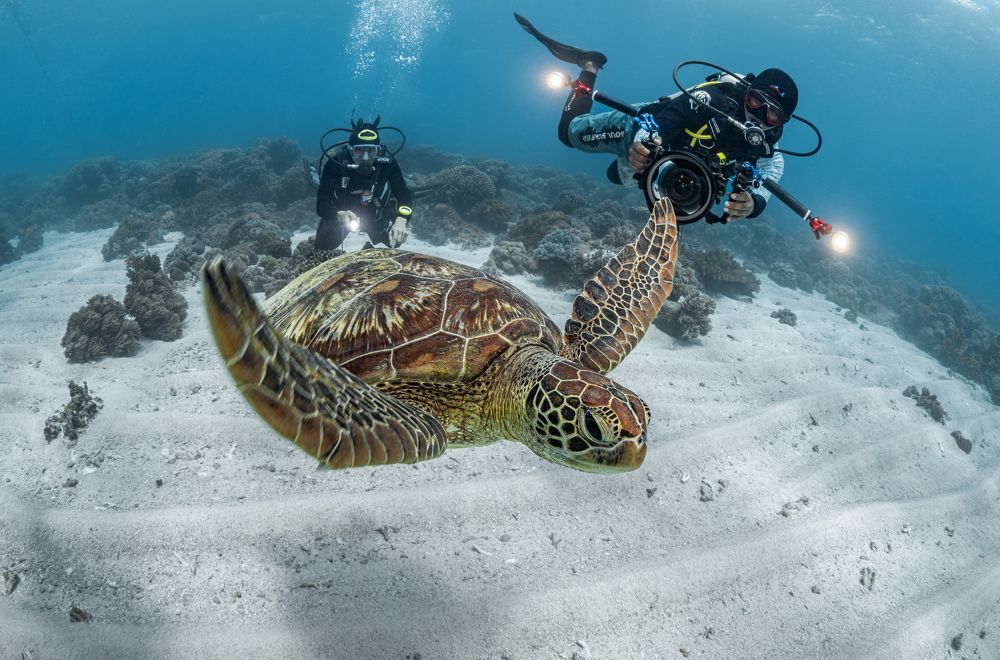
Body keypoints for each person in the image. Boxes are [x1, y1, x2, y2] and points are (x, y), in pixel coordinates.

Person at [515, 14, 793, 220]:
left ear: (781, 122)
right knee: (569, 135)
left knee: (617, 176)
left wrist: (754, 203)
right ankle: (590, 65)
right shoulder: (713, 99)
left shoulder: (765, 144)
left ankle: (629, 164)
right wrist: (641, 145)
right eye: (756, 100)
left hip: (667, 163)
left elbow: (771, 169)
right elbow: (662, 121)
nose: (758, 114)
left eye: (772, 113)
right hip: (638, 127)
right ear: (747, 93)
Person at [315, 116, 414, 250]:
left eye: (371, 151)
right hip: (344, 216)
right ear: (350, 150)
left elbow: (405, 198)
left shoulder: (387, 165)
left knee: (395, 241)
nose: (366, 158)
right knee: (321, 248)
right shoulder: (335, 164)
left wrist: (402, 220)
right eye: (359, 151)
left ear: (378, 151)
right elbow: (321, 205)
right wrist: (336, 214)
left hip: (376, 215)